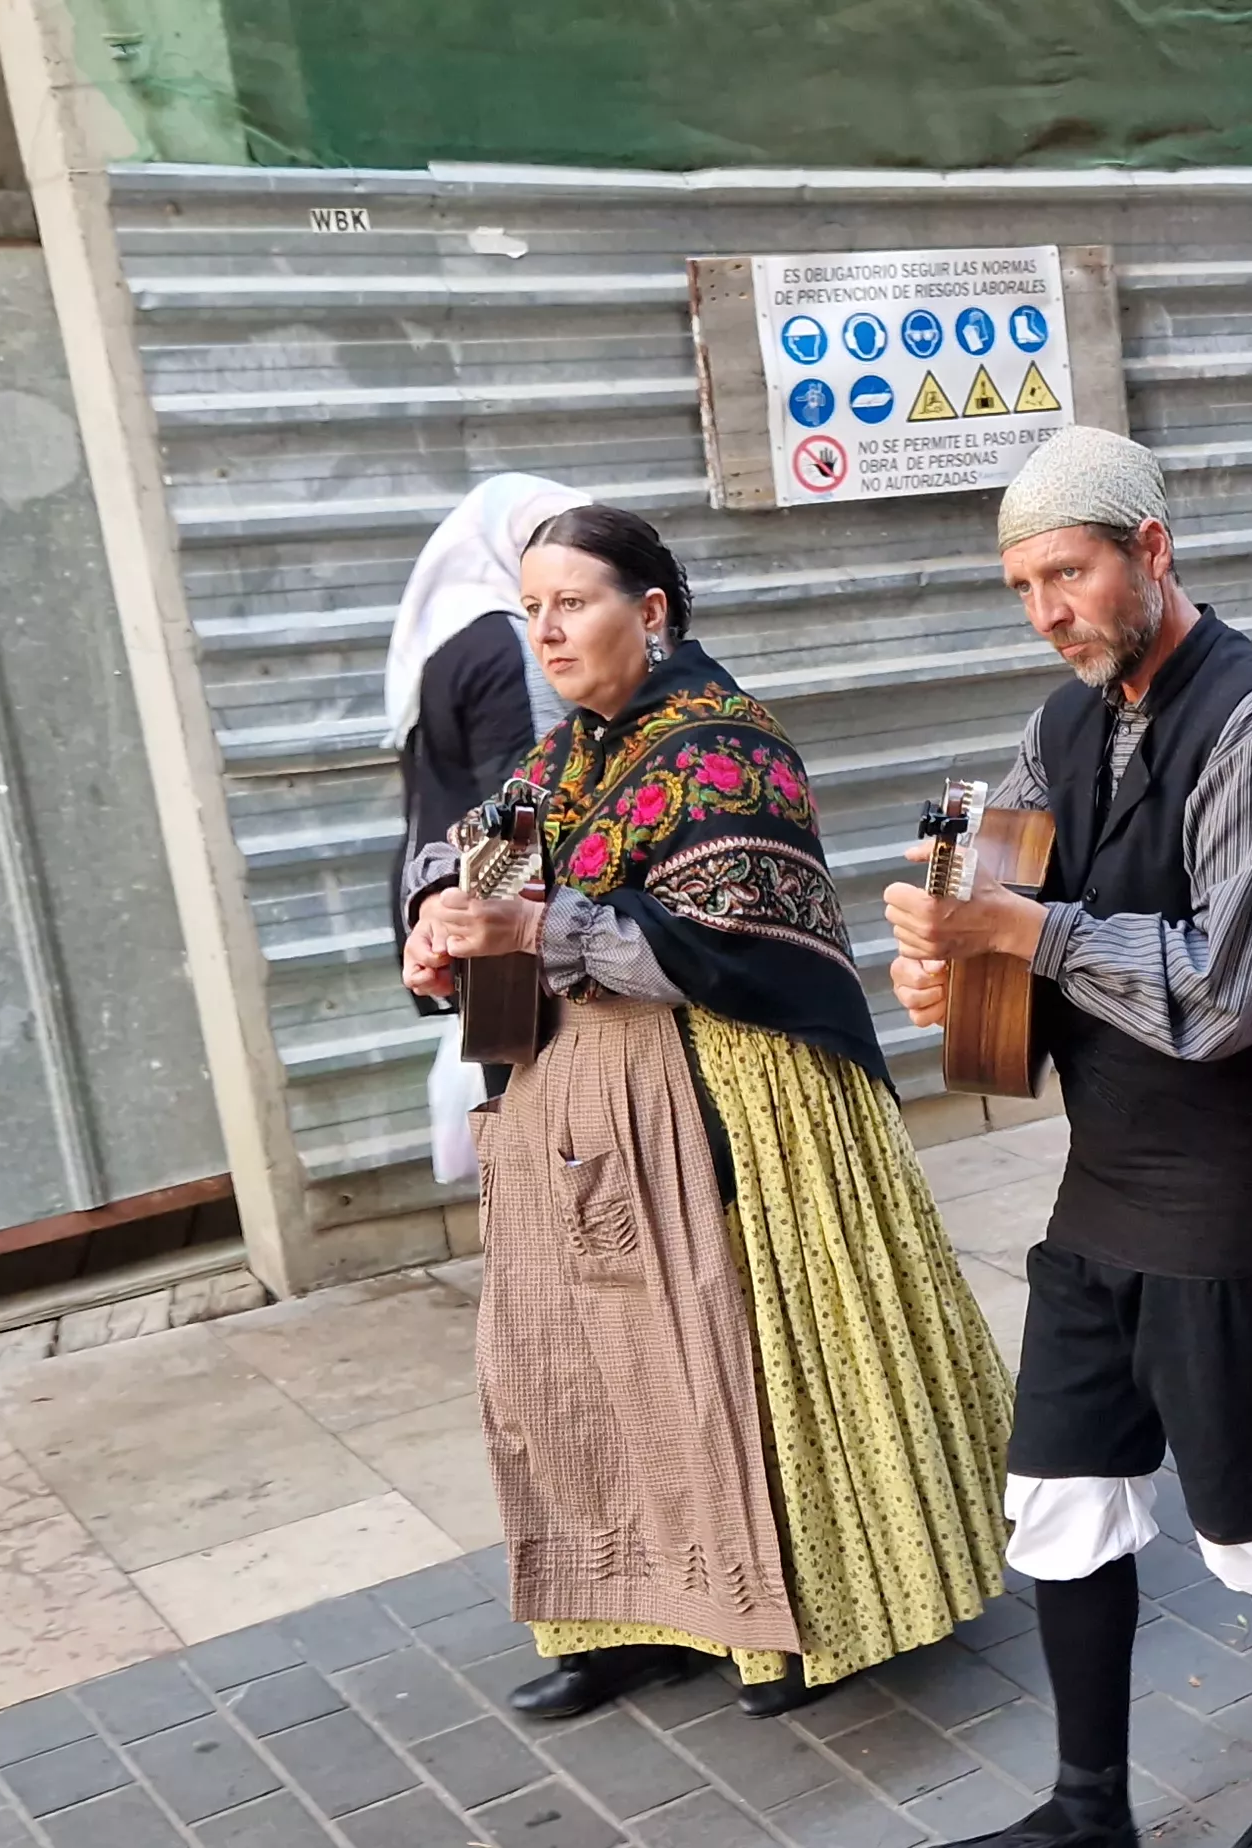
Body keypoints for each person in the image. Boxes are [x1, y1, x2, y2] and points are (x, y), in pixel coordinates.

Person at [397, 505, 1013, 1723]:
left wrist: (543, 928)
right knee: (576, 1370)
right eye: (531, 611)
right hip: (566, 1113)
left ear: (654, 613)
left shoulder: (728, 749)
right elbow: (474, 855)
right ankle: (627, 1616)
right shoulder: (564, 759)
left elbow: (735, 950)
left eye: (571, 603)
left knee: (732, 1356)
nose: (548, 632)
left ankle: (798, 1619)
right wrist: (437, 921)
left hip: (732, 1101)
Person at [885, 427, 1252, 1848]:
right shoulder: (1059, 724)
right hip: (1104, 1180)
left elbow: (1227, 992)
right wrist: (947, 962)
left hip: (1238, 1185)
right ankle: (1087, 1808)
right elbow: (992, 893)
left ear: (1151, 552)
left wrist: (1018, 931)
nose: (1048, 612)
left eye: (1070, 574)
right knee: (1054, 1494)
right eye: (1023, 587)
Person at [386, 472, 587, 1181]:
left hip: (460, 912)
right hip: (517, 935)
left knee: (530, 1156)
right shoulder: (508, 645)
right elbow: (534, 801)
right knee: (565, 1153)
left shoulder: (447, 640)